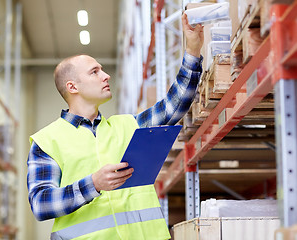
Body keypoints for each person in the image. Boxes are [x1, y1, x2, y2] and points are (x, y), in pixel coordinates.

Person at [27, 14, 204, 240]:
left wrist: (192, 50)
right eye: (95, 72)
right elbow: (41, 205)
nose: (106, 75)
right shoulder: (47, 142)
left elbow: (174, 105)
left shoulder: (128, 125)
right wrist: (93, 184)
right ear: (72, 87)